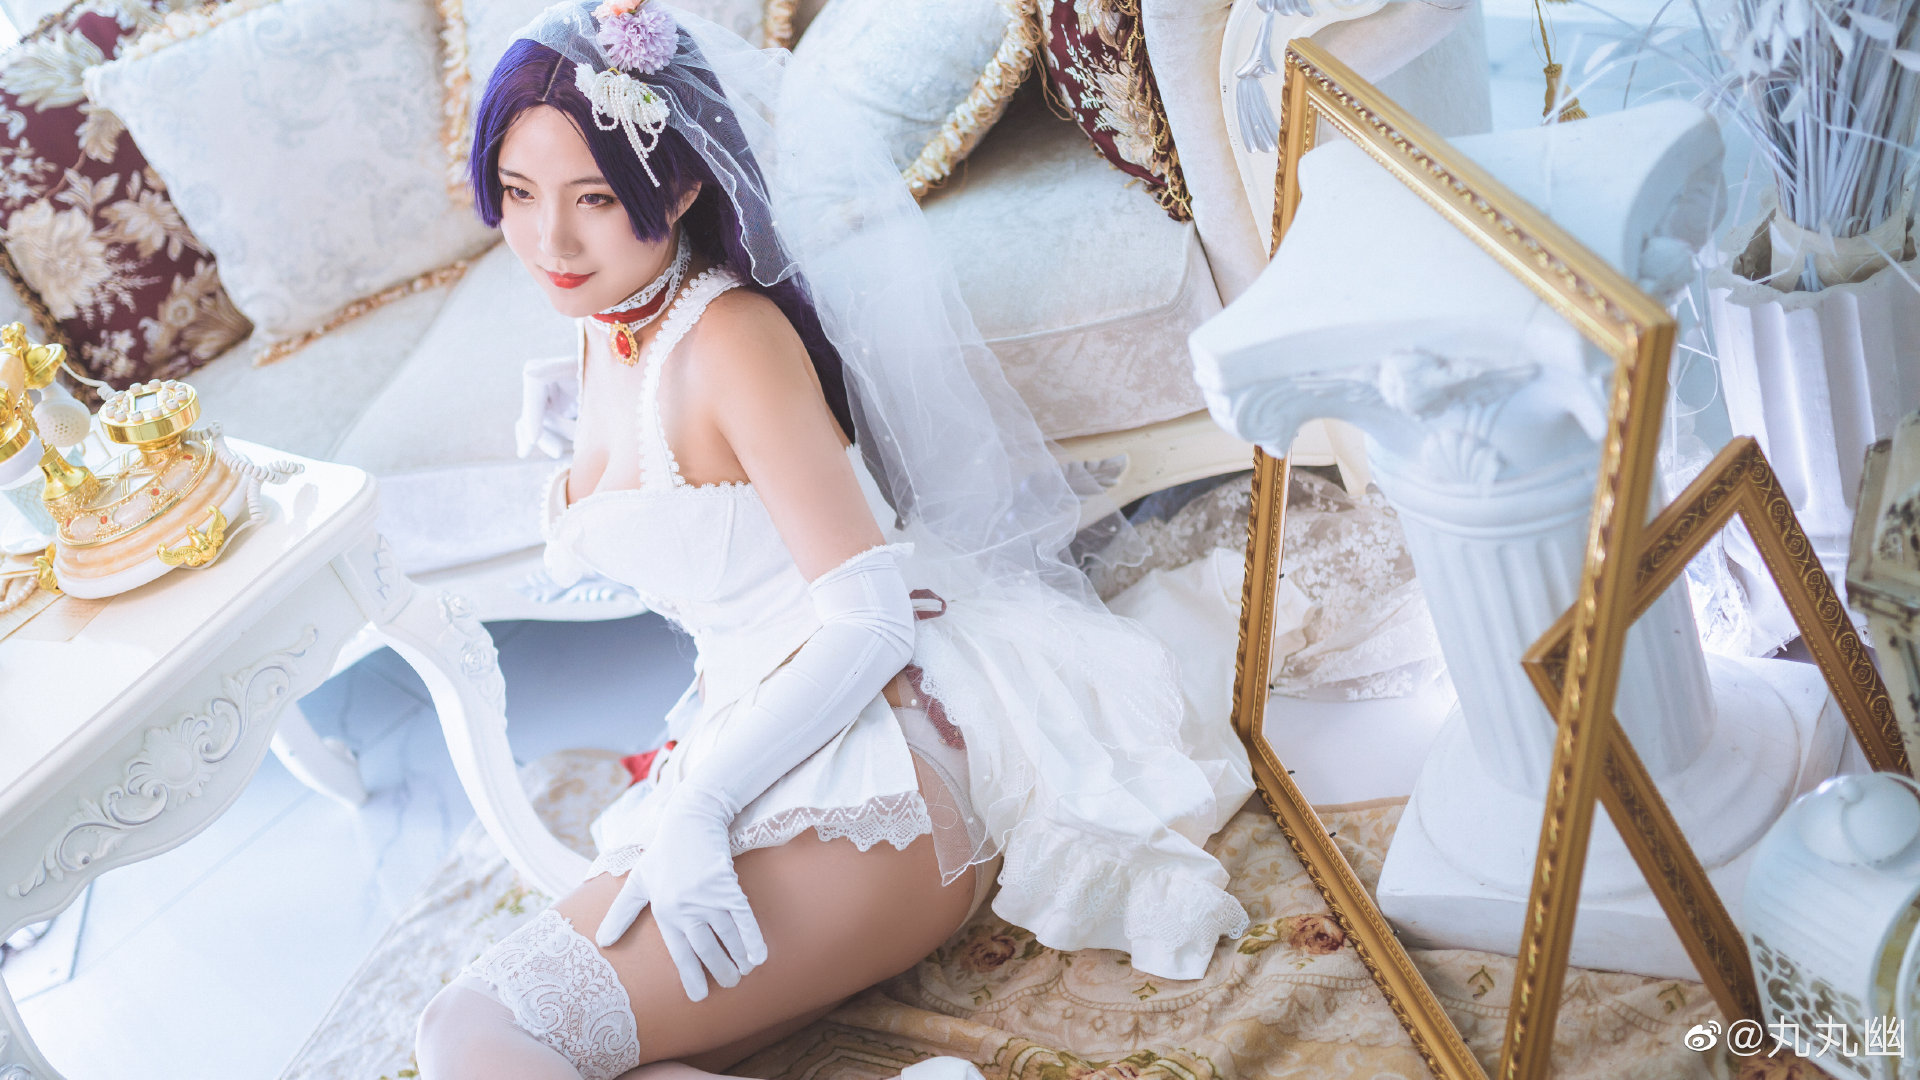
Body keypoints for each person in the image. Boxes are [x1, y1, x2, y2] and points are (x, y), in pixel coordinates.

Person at [413, 3, 1255, 1078]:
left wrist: (702, 808)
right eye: (520, 193)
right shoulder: (605, 317)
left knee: (469, 1031)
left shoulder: (732, 340)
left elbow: (870, 618)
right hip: (756, 735)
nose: (549, 243)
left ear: (682, 186)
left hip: (878, 760)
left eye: (594, 199)